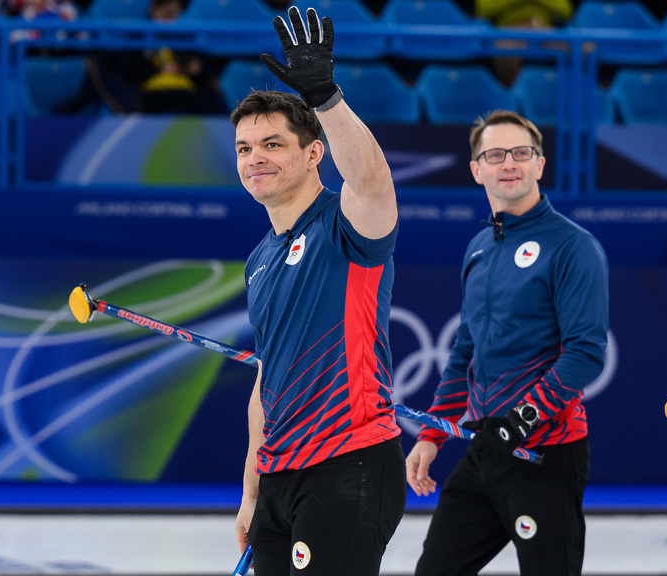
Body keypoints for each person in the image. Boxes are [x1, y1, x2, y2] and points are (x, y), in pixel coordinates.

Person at [232, 7, 405, 575]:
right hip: (279, 477)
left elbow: (372, 179)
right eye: (244, 148)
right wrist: (251, 493)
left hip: (349, 464)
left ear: (313, 154)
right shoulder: (260, 259)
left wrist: (326, 98)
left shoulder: (346, 224)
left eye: (273, 144)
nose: (255, 157)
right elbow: (267, 379)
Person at [406, 110, 609, 576]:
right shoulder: (478, 247)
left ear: (540, 164)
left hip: (545, 454)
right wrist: (433, 434)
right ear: (476, 169)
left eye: (521, 153)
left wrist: (520, 421)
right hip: (486, 450)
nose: (509, 163)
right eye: (494, 155)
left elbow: (585, 353)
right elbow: (464, 354)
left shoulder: (573, 247)